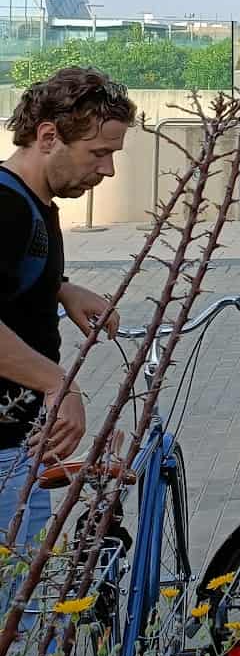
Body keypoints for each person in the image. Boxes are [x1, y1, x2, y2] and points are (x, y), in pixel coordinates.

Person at [0, 70, 136, 546]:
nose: (108, 171)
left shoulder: (31, 202)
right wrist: (61, 385)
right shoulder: (7, 207)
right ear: (48, 136)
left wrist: (59, 287)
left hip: (18, 446)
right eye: (99, 153)